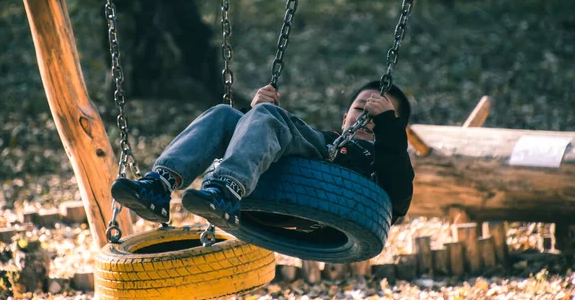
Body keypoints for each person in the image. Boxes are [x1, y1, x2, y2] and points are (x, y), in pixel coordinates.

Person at [111, 81, 414, 230]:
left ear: (395, 126)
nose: (368, 115)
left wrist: (390, 131)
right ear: (344, 116)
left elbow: (399, 200)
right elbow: (260, 142)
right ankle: (159, 186)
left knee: (269, 115)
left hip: (332, 199)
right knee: (223, 115)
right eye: (362, 108)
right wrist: (251, 117)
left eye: (379, 113)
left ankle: (225, 192)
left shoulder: (385, 157)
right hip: (282, 186)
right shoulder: (325, 138)